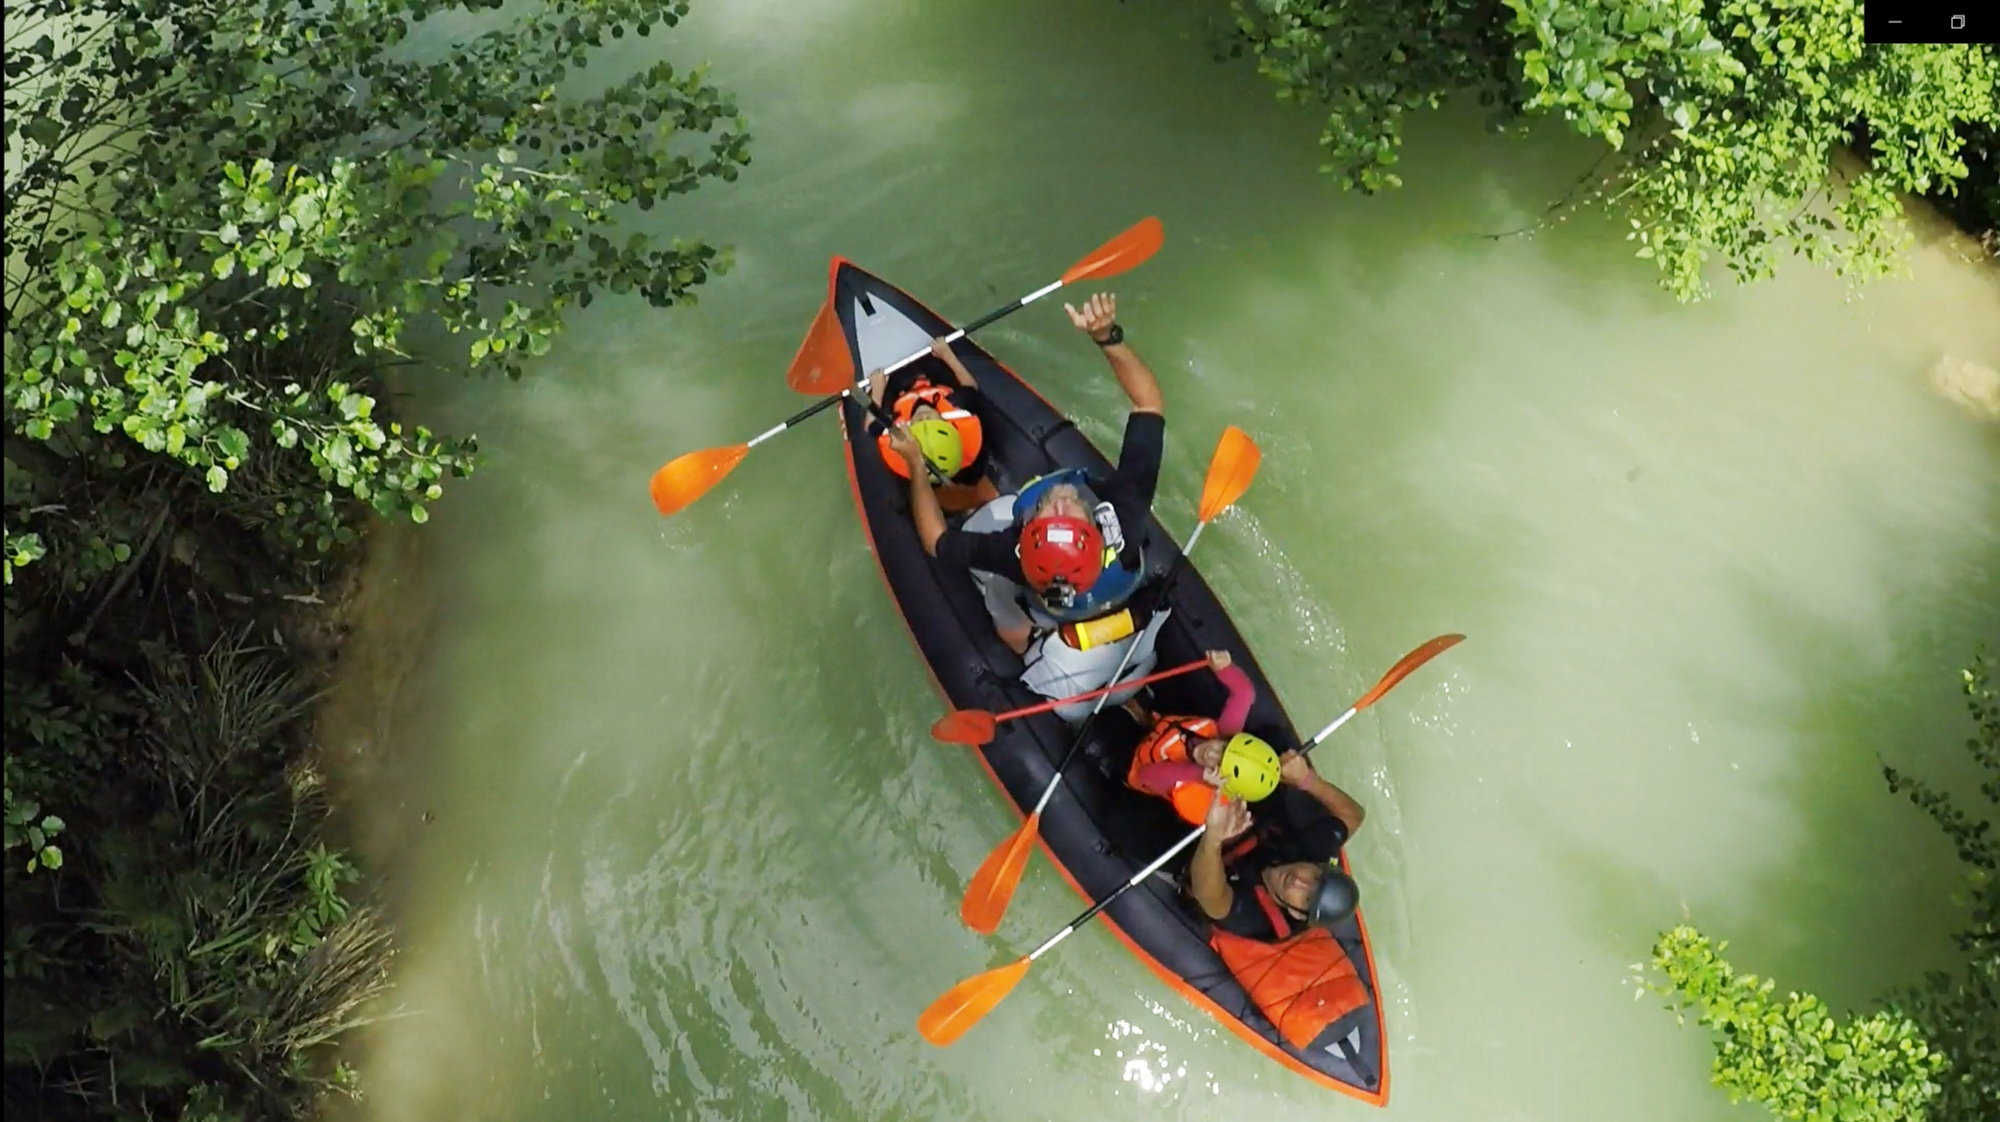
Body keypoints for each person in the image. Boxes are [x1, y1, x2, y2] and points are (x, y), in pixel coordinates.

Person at [886, 292, 1167, 717]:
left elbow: (937, 541)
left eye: (1049, 512)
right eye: (1061, 511)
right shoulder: (1123, 513)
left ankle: (1018, 639)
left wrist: (914, 466)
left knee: (995, 578)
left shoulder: (1013, 552)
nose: (1057, 499)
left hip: (1061, 639)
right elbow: (1149, 404)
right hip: (1117, 617)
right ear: (1094, 529)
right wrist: (1106, 338)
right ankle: (1132, 702)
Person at [1182, 756, 1375, 1056]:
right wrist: (1308, 780)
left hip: (1196, 842)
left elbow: (1210, 895)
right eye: (1313, 877)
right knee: (1267, 744)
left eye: (1307, 898)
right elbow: (1354, 816)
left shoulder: (1258, 920)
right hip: (1244, 809)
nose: (1300, 882)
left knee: (1129, 824)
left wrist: (1213, 837)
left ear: (1299, 914)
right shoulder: (1314, 856)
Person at [1123, 650, 1285, 825]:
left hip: (1132, 764)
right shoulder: (1226, 733)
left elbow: (1145, 774)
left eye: (1218, 766)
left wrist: (1200, 775)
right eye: (1223, 749)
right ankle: (1143, 717)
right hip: (1159, 729)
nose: (1211, 754)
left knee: (1111, 723)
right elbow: (1244, 693)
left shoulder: (1198, 793)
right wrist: (1224, 667)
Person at [863, 336, 997, 513]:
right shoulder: (958, 405)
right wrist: (947, 355)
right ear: (945, 423)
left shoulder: (899, 429)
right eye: (930, 419)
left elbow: (871, 427)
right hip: (932, 377)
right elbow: (971, 387)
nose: (924, 416)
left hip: (900, 387)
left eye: (919, 421)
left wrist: (878, 388)